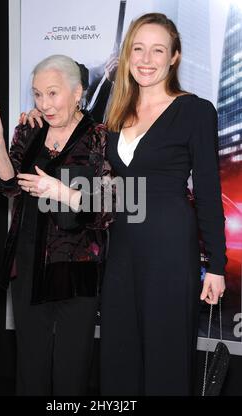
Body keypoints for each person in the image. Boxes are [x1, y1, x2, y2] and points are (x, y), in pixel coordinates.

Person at [0, 54, 113, 395]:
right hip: (29, 262)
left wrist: (61, 192)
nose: (44, 104)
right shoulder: (29, 129)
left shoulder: (100, 136)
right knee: (30, 368)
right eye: (37, 94)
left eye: (52, 93)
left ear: (77, 92)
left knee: (71, 371)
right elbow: (8, 184)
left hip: (77, 269)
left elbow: (109, 208)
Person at [99, 12, 227, 396]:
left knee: (166, 355)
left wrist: (217, 267)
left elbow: (207, 190)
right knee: (120, 353)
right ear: (126, 55)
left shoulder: (195, 110)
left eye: (158, 50)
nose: (146, 59)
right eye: (138, 48)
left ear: (174, 57)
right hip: (122, 247)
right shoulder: (116, 112)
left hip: (171, 248)